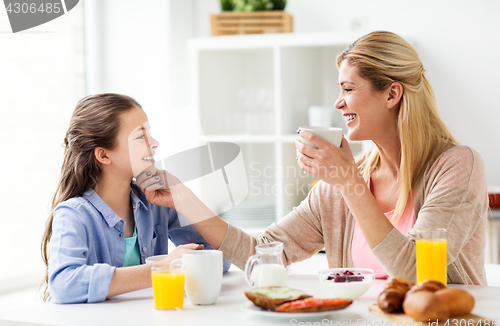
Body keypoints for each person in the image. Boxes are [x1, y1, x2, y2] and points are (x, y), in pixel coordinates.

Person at [140, 31, 488, 285]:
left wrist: (349, 182)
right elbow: (260, 253)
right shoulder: (338, 186)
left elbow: (417, 270)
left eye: (348, 89)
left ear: (392, 94)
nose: (338, 102)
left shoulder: (457, 166)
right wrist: (185, 200)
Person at [41, 93, 230, 304]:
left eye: (151, 134)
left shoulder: (155, 203)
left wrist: (183, 196)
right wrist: (162, 268)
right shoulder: (74, 215)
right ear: (103, 155)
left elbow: (222, 256)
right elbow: (64, 285)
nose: (155, 143)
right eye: (141, 137)